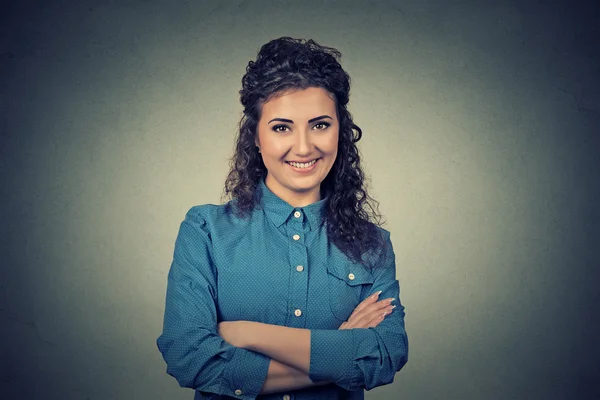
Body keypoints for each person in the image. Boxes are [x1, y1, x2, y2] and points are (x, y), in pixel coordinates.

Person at [157, 37, 408, 400]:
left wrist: (247, 334)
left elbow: (385, 358)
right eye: (281, 127)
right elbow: (189, 358)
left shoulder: (374, 244)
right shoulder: (205, 231)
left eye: (320, 125)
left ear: (341, 130)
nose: (304, 147)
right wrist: (339, 351)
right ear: (255, 137)